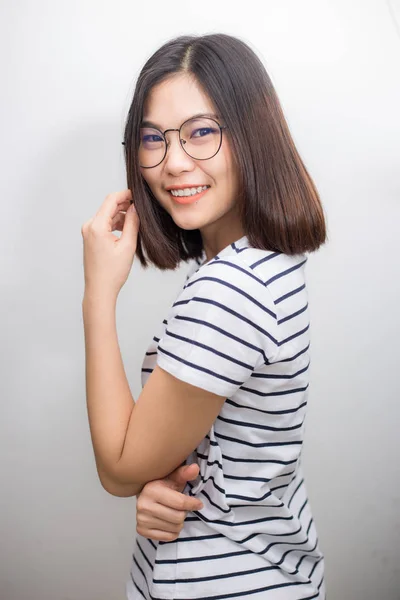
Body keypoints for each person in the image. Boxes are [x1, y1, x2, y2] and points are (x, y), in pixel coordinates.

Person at [81, 32, 327, 600]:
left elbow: (118, 469)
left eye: (201, 132)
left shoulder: (231, 289)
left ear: (251, 134)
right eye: (152, 139)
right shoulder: (267, 261)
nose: (172, 164)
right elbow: (233, 447)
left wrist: (98, 295)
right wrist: (157, 478)